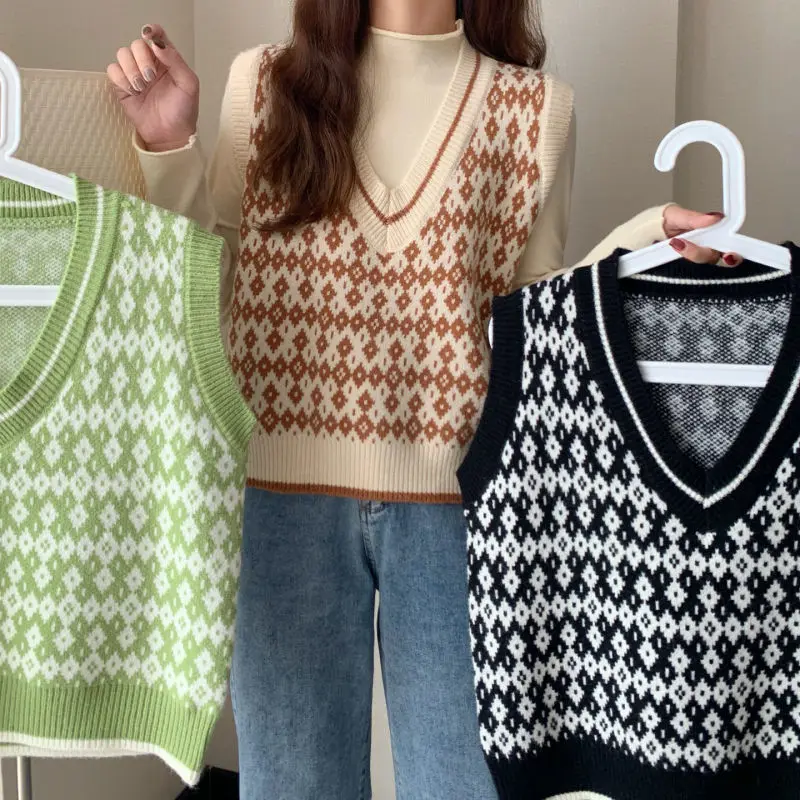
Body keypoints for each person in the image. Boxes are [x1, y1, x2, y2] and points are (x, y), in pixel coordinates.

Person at [108, 2, 741, 798]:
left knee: (462, 787)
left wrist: (635, 248)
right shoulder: (265, 85)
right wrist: (169, 147)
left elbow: (530, 323)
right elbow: (206, 289)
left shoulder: (536, 110)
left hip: (462, 507)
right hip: (275, 504)